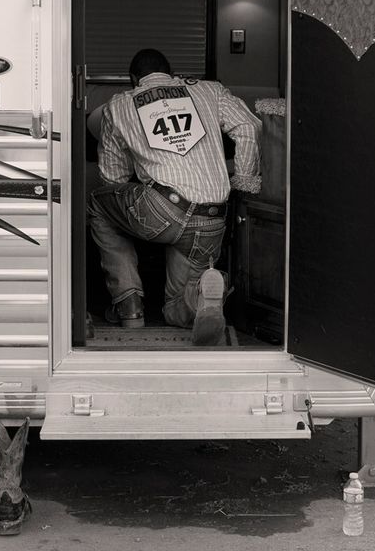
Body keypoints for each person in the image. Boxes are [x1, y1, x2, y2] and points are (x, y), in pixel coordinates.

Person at [87, 48, 261, 346]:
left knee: (99, 203)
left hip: (161, 210)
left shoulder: (120, 105)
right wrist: (243, 181)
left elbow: (112, 179)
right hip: (212, 217)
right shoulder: (209, 90)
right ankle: (200, 303)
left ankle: (128, 304)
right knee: (175, 309)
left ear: (133, 80)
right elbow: (249, 125)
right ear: (171, 72)